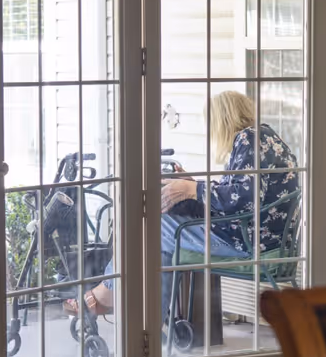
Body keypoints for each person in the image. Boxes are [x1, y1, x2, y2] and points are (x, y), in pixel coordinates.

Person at [69, 90, 298, 319]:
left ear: (223, 119)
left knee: (150, 225)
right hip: (266, 238)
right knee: (161, 241)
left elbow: (243, 199)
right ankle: (147, 321)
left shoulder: (248, 138)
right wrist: (192, 185)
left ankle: (108, 295)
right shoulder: (265, 138)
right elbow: (241, 194)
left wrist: (195, 189)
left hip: (249, 242)